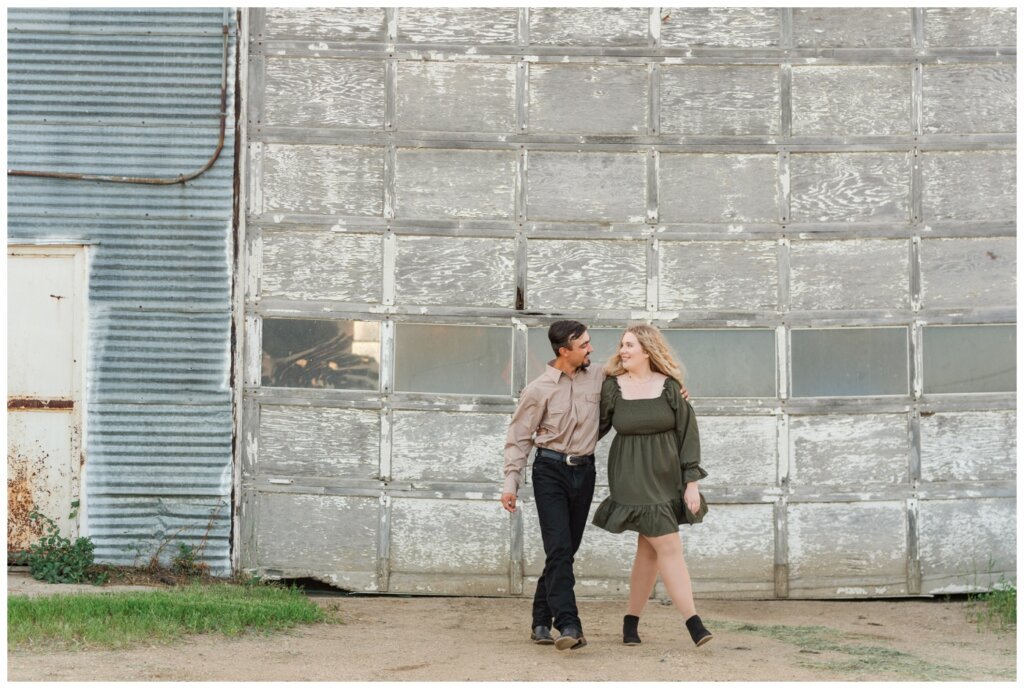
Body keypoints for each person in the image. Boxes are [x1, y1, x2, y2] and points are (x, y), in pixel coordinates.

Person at [591, 323, 713, 648]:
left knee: (649, 553)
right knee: (669, 546)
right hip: (630, 477)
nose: (622, 351)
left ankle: (630, 624)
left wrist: (691, 483)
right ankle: (694, 623)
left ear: (647, 350)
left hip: (665, 478)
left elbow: (689, 435)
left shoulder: (671, 388)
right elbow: (594, 428)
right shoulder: (612, 388)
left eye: (629, 345)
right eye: (622, 345)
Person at [501, 320, 601, 651]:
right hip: (550, 471)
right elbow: (518, 438)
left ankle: (541, 619)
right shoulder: (538, 389)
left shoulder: (600, 377)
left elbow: (640, 372)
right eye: (584, 345)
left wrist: (676, 387)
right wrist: (511, 483)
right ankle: (569, 623)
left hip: (585, 473)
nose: (591, 349)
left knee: (564, 550)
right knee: (559, 548)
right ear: (564, 351)